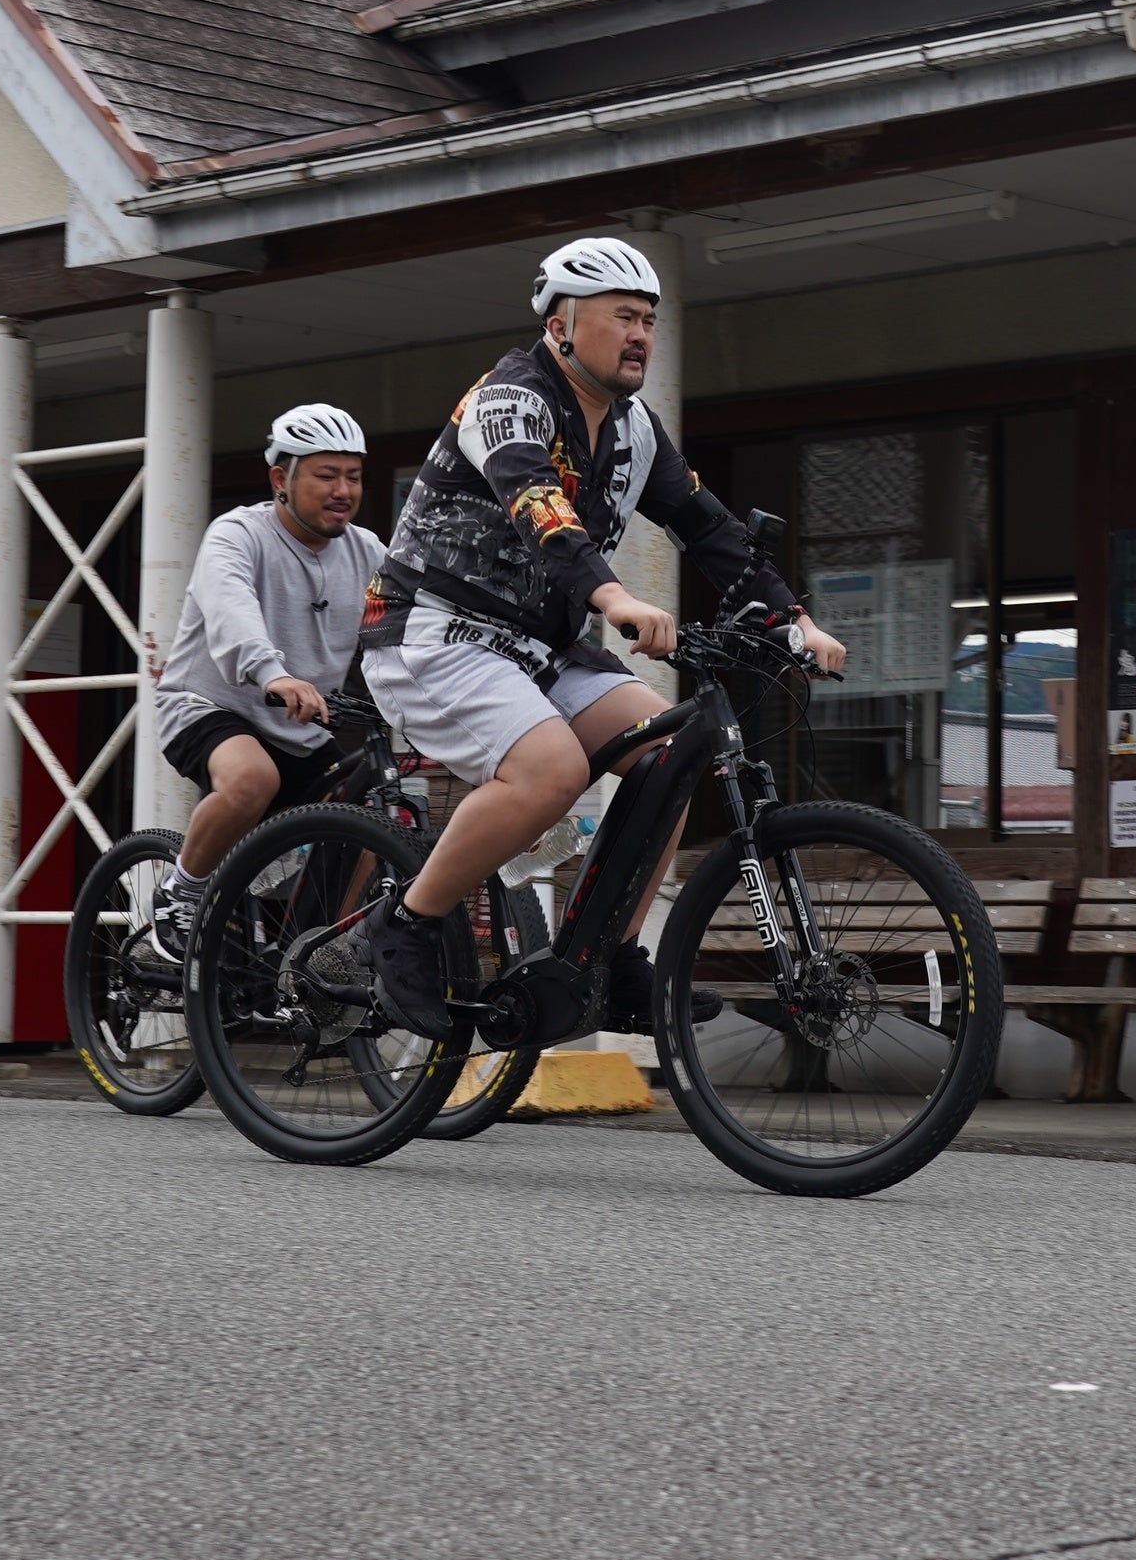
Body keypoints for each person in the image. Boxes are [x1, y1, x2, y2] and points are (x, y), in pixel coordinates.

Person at [358, 234, 845, 1035]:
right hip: (436, 631)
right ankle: (404, 924)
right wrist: (615, 598)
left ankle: (613, 961)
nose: (641, 334)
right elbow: (538, 506)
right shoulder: (507, 399)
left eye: (648, 320)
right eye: (623, 316)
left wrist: (795, 620)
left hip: (541, 649)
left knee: (671, 750)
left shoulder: (634, 429)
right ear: (560, 325)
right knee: (550, 771)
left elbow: (707, 526)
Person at [138, 403, 390, 958]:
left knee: (370, 818)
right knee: (252, 780)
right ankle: (182, 892)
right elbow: (231, 611)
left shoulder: (368, 552)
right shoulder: (237, 535)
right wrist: (273, 674)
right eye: (327, 475)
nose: (343, 491)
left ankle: (320, 951)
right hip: (210, 705)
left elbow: (412, 623)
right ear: (281, 479)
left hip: (301, 726)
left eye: (353, 476)